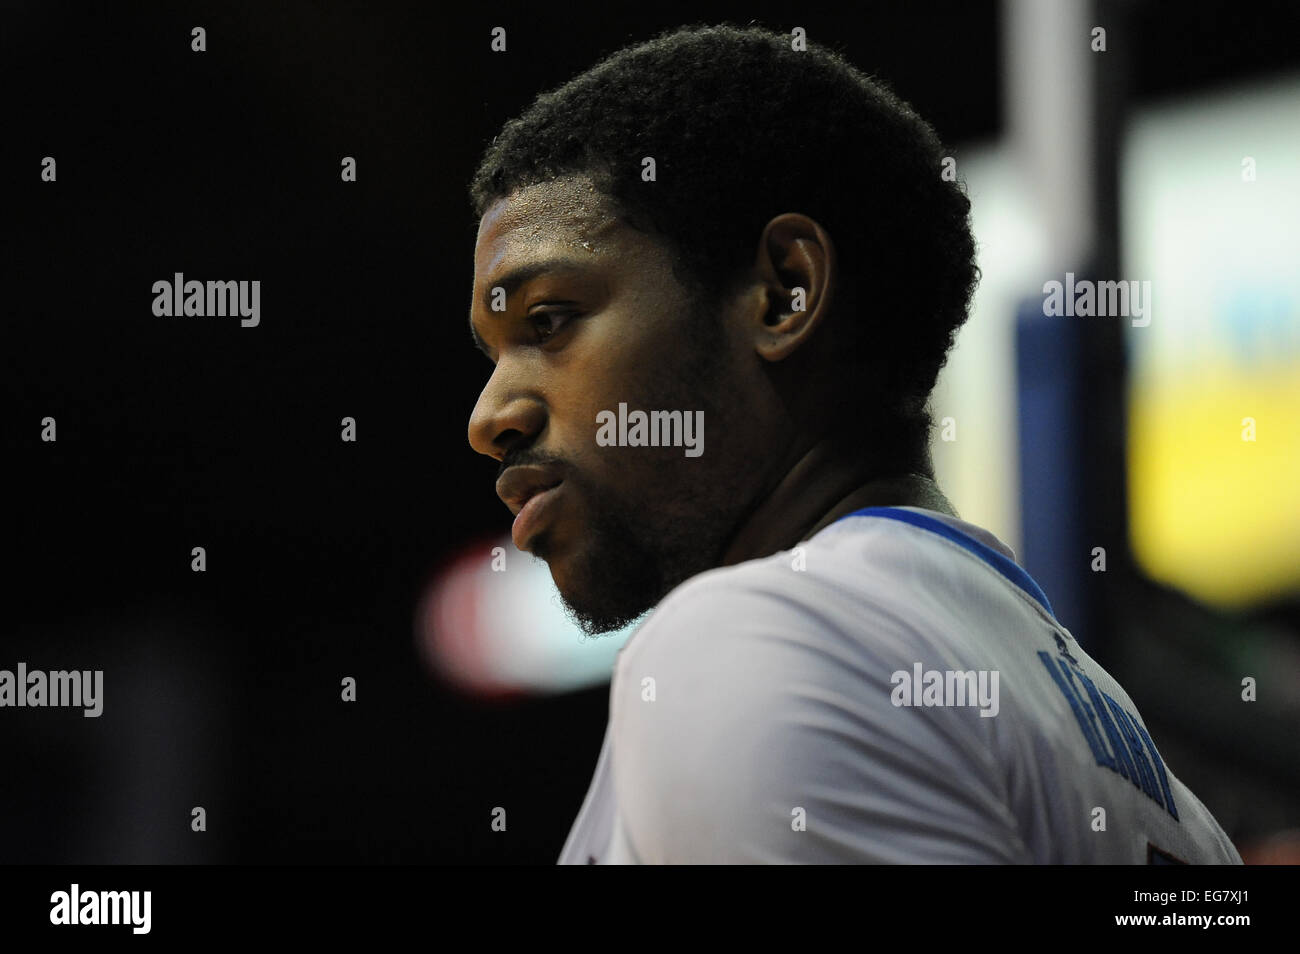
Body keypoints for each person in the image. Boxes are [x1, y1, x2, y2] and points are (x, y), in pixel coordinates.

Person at [465, 23, 1241, 863]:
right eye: (495, 352)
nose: (490, 416)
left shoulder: (754, 643)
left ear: (782, 294)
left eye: (548, 320)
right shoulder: (1108, 730)